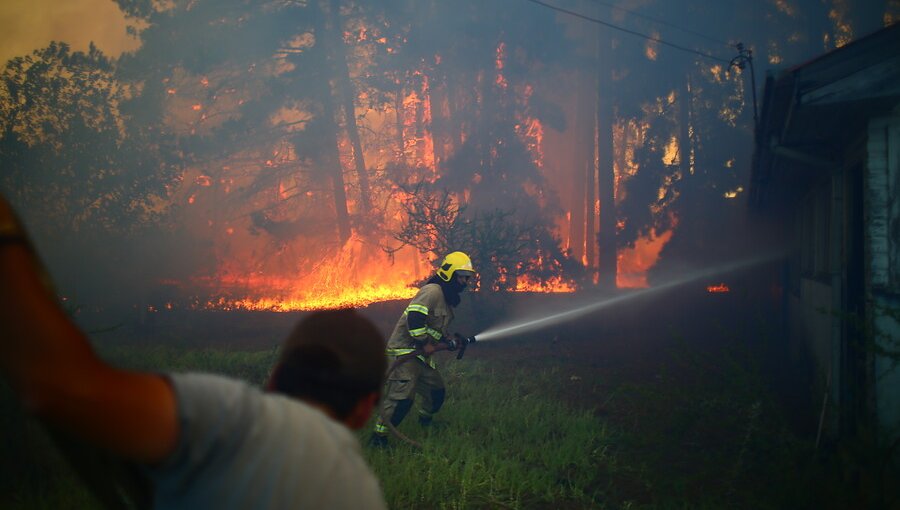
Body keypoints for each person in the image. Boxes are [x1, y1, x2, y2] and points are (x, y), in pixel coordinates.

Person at [0, 195, 388, 509]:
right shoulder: (363, 494)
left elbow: (57, 386)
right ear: (364, 409)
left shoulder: (236, 419)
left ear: (275, 377)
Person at [371, 251, 476, 447]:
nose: (464, 281)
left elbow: (434, 326)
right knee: (402, 399)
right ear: (449, 273)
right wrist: (425, 343)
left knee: (436, 392)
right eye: (462, 276)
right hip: (405, 352)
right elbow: (415, 318)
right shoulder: (433, 291)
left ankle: (425, 423)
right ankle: (379, 438)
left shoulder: (445, 298)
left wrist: (448, 339)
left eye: (467, 277)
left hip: (421, 357)